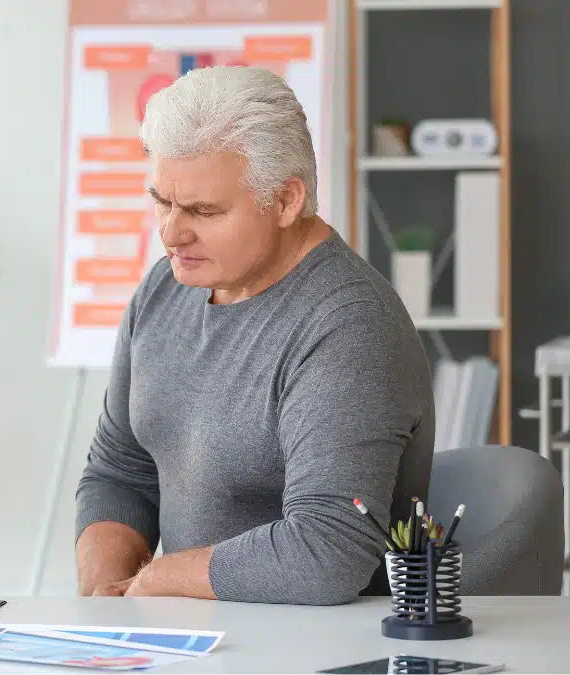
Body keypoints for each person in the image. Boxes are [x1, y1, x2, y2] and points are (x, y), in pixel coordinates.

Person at [74, 66, 434, 605]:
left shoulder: (350, 325)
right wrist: (102, 599)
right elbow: (120, 472)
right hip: (192, 636)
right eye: (163, 202)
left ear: (287, 200)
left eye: (203, 210)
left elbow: (328, 551)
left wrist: (156, 581)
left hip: (311, 646)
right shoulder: (164, 288)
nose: (172, 232)